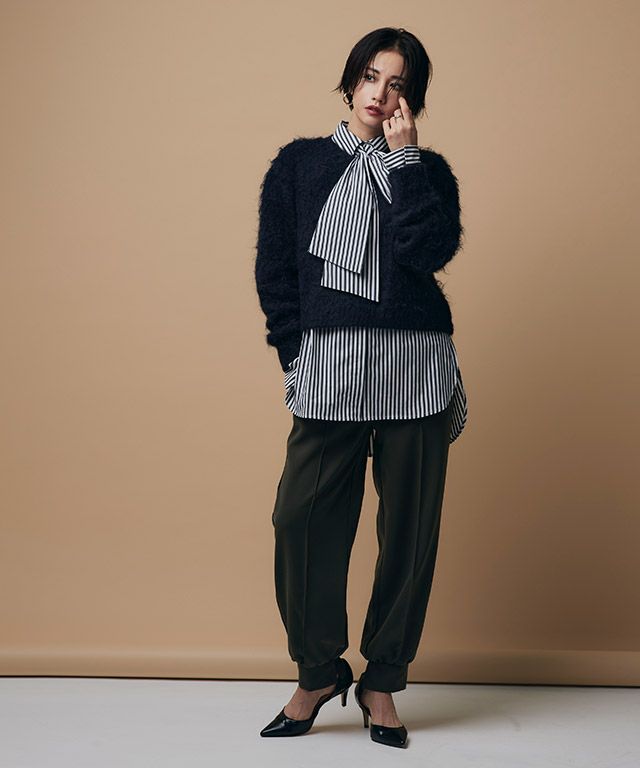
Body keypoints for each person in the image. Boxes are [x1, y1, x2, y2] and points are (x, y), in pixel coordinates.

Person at [254, 26, 467, 749]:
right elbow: (276, 272)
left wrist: (404, 164)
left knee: (409, 529)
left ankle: (383, 680)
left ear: (413, 98)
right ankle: (319, 672)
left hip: (416, 364)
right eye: (372, 77)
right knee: (300, 517)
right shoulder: (299, 165)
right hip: (331, 364)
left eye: (398, 83)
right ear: (351, 81)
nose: (381, 93)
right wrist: (295, 356)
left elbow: (427, 251)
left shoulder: (428, 172)